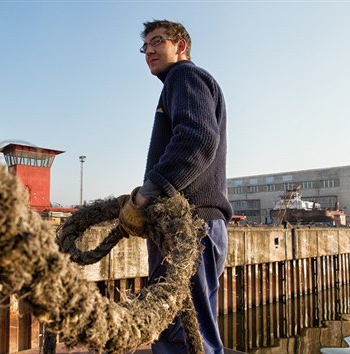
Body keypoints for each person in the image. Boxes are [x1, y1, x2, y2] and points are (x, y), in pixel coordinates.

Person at [123, 19, 233, 354]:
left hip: (190, 225)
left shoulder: (185, 77)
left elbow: (197, 138)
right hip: (195, 224)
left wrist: (147, 193)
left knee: (183, 333)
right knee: (189, 327)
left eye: (157, 41)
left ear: (180, 44)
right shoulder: (180, 83)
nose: (150, 51)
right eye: (145, 46)